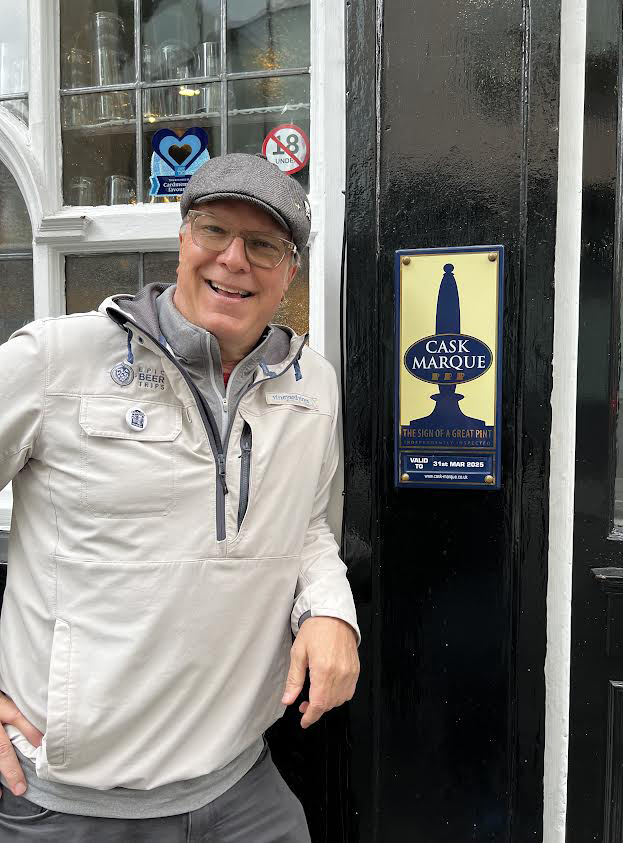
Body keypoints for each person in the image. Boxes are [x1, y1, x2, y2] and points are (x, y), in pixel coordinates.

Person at [0, 153, 360, 841]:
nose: (233, 260)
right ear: (182, 239)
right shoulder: (58, 360)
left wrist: (330, 611)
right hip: (67, 805)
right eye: (214, 231)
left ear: (291, 270)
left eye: (263, 245)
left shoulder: (311, 384)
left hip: (240, 786)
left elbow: (307, 523)